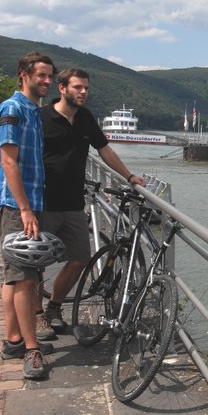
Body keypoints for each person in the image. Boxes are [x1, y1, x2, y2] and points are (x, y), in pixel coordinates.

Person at [39, 68, 146, 332]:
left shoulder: (85, 118)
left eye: (86, 87)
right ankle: (34, 317)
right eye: (78, 87)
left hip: (74, 203)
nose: (83, 92)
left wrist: (129, 176)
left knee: (79, 259)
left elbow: (104, 150)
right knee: (35, 265)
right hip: (43, 203)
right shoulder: (41, 117)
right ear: (62, 88)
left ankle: (53, 307)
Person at [0, 52, 57, 379]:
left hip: (30, 202)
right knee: (25, 276)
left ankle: (13, 340)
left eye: (49, 77)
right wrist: (26, 209)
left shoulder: (33, 112)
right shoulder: (12, 110)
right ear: (24, 74)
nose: (46, 81)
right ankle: (32, 350)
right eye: (40, 75)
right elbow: (8, 162)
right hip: (17, 205)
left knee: (15, 274)